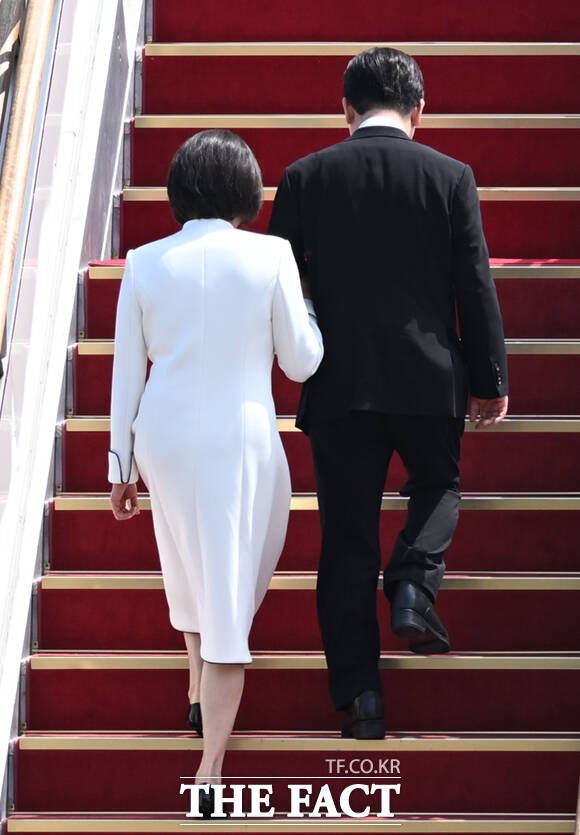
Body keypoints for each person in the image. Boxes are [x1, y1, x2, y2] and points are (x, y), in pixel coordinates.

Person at [268, 47, 509, 739]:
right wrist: (489, 377)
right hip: (430, 378)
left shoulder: (305, 177)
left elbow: (281, 288)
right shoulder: (450, 176)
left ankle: (361, 700)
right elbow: (474, 283)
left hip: (339, 385)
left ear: (345, 108)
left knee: (346, 539)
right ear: (419, 111)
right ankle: (411, 582)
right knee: (438, 485)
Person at [107, 130, 323, 814]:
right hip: (239, 438)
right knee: (229, 591)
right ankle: (211, 768)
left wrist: (119, 466)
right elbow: (301, 361)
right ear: (245, 189)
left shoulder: (143, 261)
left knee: (190, 564)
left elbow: (124, 372)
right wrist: (311, 311)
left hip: (163, 438)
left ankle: (197, 688)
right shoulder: (271, 254)